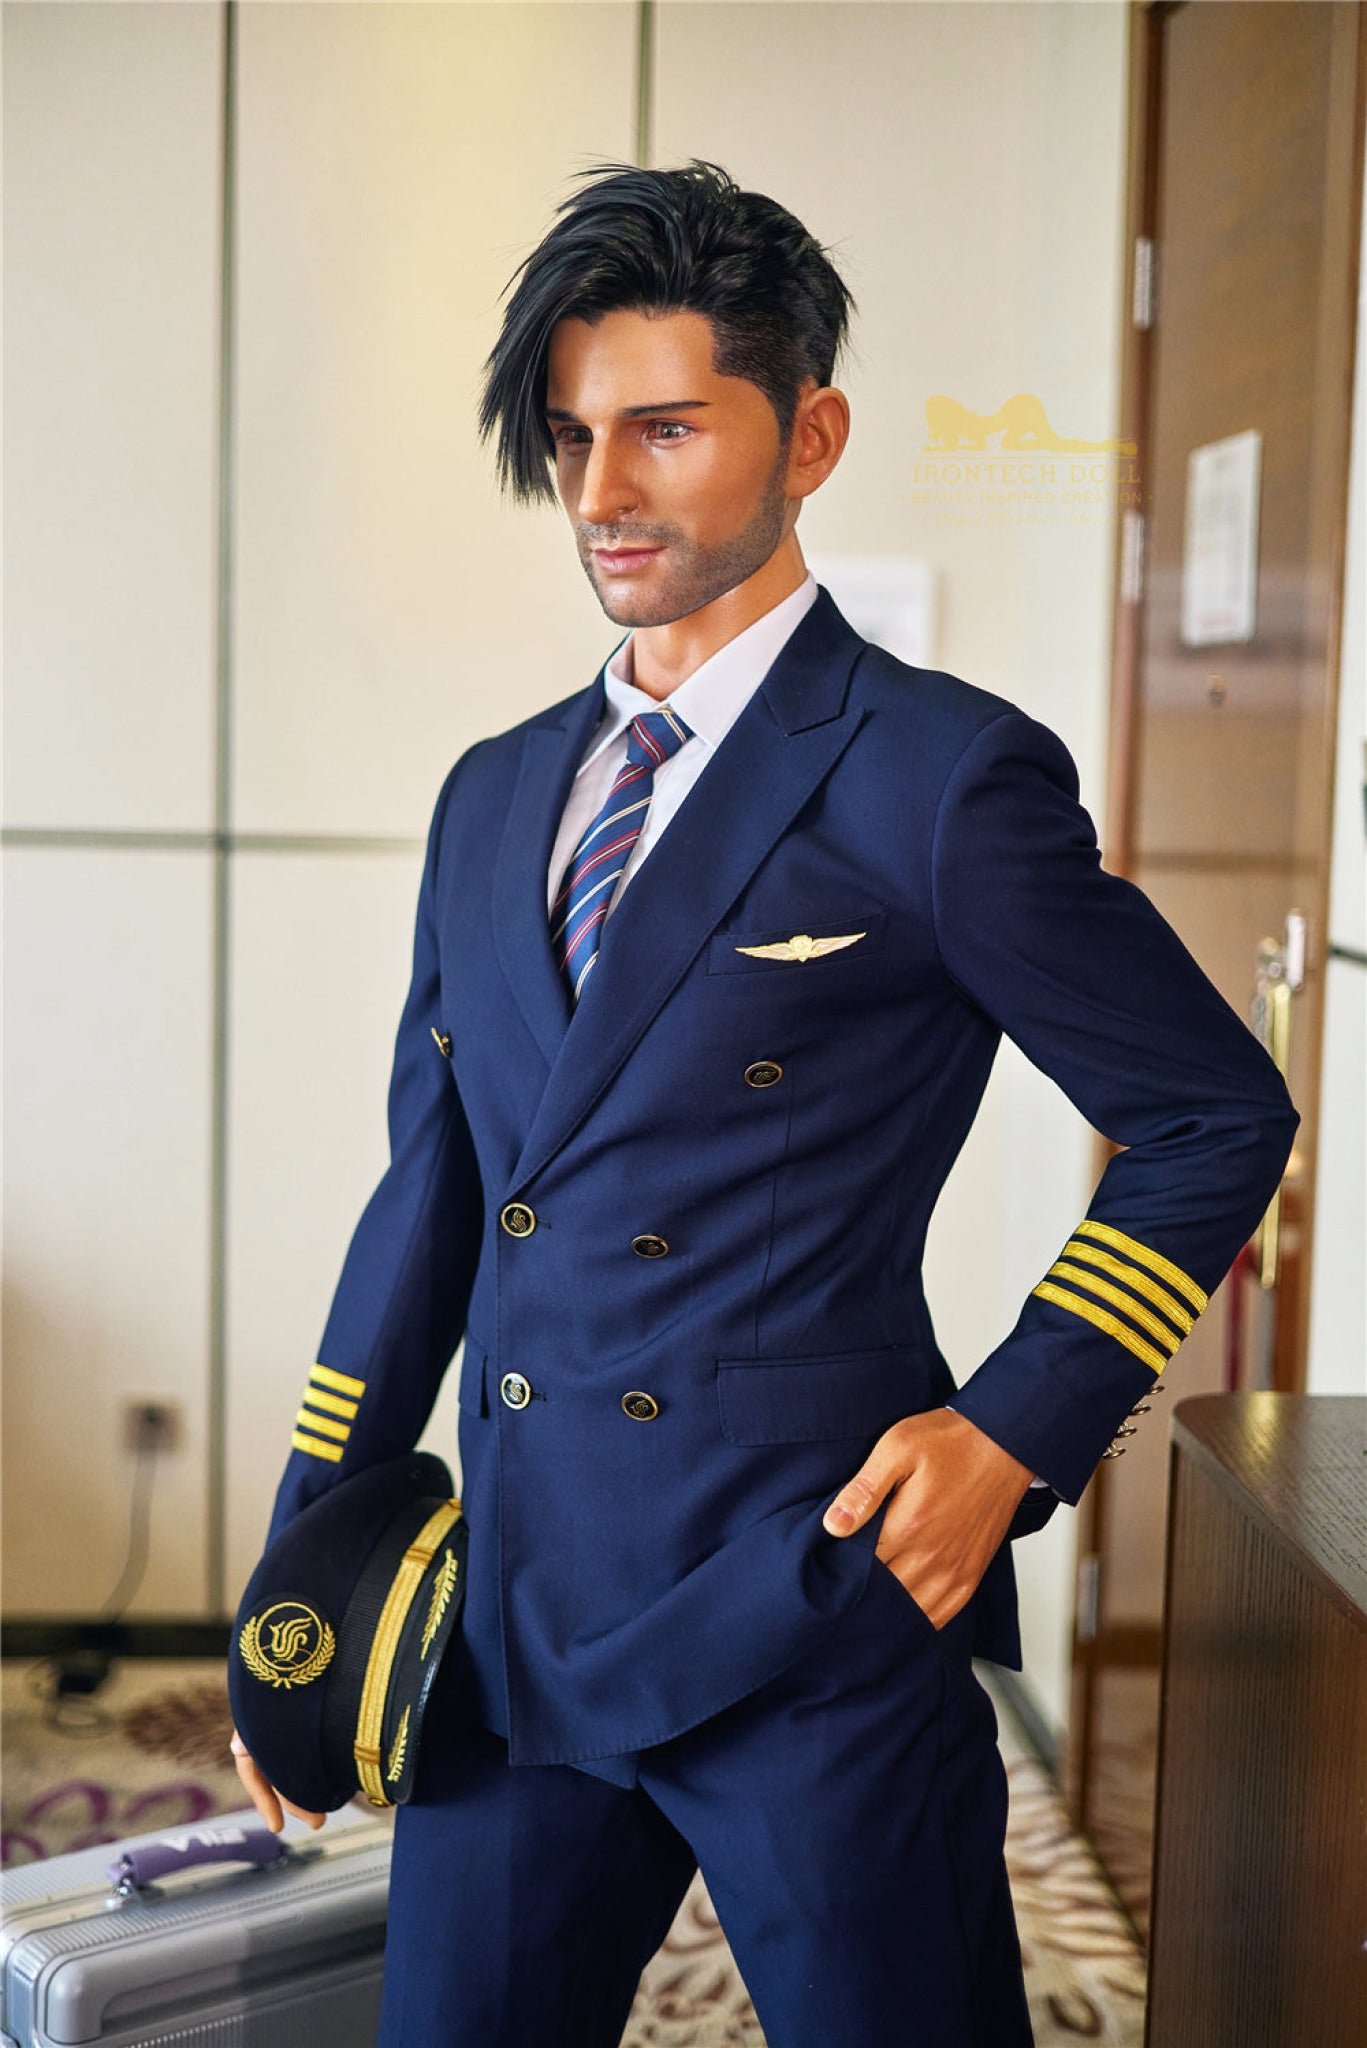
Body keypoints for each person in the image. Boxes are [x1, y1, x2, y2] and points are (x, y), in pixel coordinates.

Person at [232, 159, 1298, 2046]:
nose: (600, 490)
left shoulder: (938, 778)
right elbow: (431, 1201)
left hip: (811, 1598)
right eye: (573, 434)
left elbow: (1215, 1115)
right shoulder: (492, 795)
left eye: (664, 427)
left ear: (810, 437)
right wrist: (301, 1581)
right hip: (518, 1620)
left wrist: (1010, 1432)